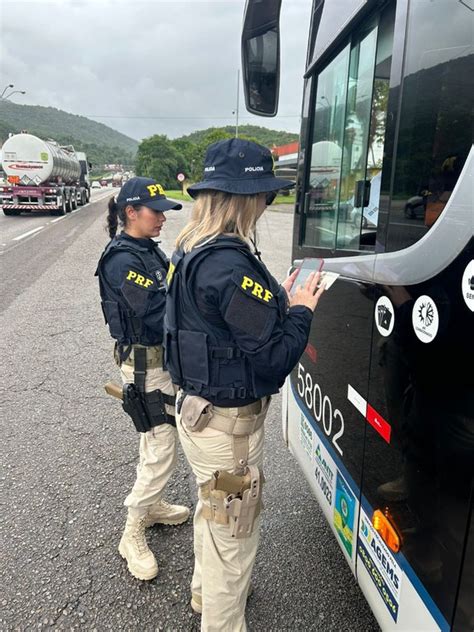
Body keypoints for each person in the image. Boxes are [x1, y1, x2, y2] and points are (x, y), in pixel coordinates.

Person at [164, 138, 326, 631]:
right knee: (233, 538)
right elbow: (275, 358)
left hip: (198, 413)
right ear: (245, 198)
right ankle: (219, 615)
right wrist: (300, 309)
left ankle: (203, 594)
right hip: (226, 429)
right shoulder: (228, 264)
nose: (266, 204)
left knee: (214, 521)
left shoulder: (191, 246)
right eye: (265, 195)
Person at [96, 176, 190, 581]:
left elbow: (173, 293)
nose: (163, 219)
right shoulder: (121, 260)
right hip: (145, 365)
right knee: (161, 444)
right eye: (157, 212)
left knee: (154, 441)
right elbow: (156, 314)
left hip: (162, 362)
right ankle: (133, 527)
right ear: (131, 212)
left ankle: (151, 507)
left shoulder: (149, 251)